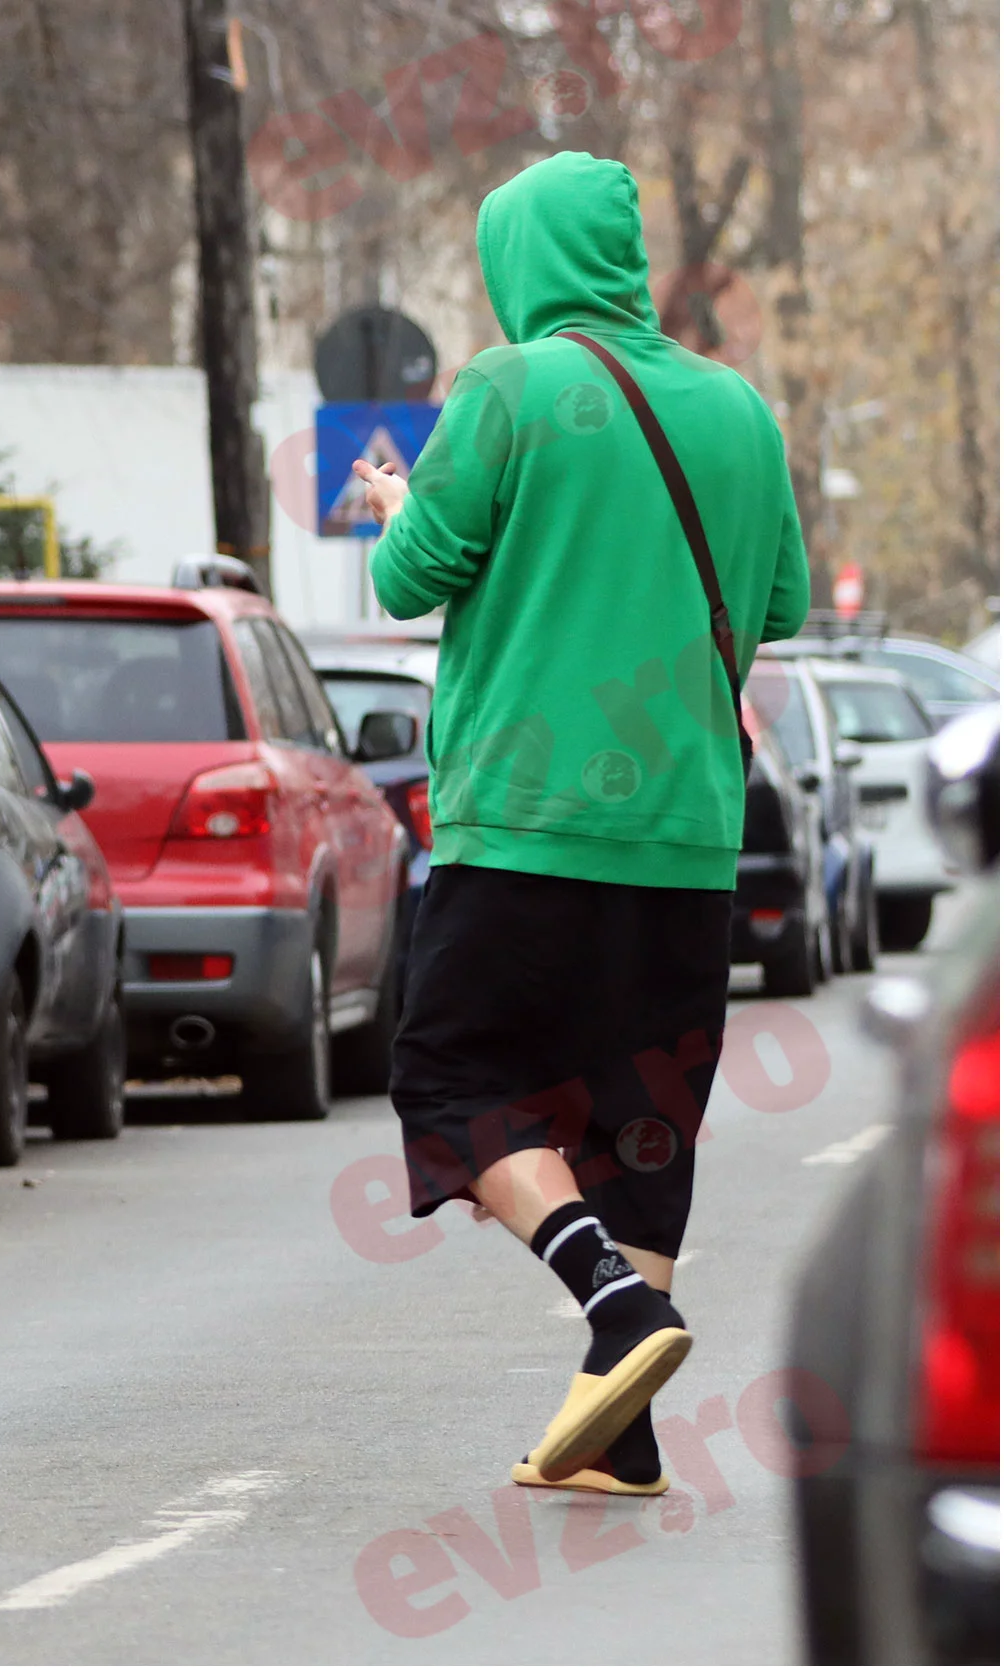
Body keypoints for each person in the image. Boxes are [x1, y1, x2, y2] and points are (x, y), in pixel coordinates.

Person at [353, 152, 811, 1495]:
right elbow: (777, 602)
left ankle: (612, 1304)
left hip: (531, 820)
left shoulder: (509, 386)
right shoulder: (739, 410)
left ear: (521, 264)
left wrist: (399, 501)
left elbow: (404, 577)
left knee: (450, 1077)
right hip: (686, 831)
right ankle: (624, 1426)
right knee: (639, 1114)